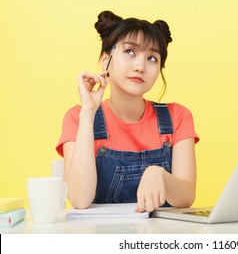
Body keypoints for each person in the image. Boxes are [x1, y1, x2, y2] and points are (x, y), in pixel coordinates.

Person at [55, 11, 199, 212]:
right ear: (106, 60)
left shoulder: (178, 116)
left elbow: (186, 197)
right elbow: (79, 199)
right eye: (130, 52)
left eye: (151, 58)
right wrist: (88, 112)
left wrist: (160, 175)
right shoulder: (77, 118)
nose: (140, 66)